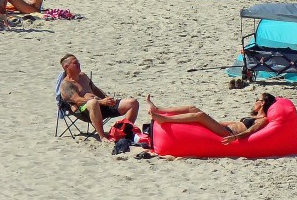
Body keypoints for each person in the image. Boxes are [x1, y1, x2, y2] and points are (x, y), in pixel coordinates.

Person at [58, 55, 139, 142]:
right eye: (75, 63)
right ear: (66, 67)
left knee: (133, 103)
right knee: (93, 102)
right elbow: (78, 100)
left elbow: (95, 89)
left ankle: (125, 132)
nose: (78, 64)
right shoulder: (66, 84)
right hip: (84, 111)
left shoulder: (83, 76)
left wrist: (107, 98)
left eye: (78, 62)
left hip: (101, 105)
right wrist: (100, 101)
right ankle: (102, 136)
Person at [145, 92, 276, 144]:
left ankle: (164, 119)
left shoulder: (263, 120)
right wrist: (213, 122)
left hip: (229, 134)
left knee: (200, 116)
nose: (254, 102)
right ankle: (158, 109)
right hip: (224, 128)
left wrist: (235, 137)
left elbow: (250, 131)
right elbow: (234, 122)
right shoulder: (253, 116)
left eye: (256, 100)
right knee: (192, 108)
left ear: (262, 103)